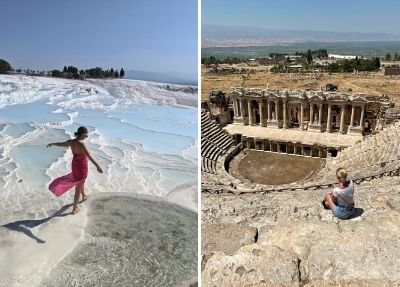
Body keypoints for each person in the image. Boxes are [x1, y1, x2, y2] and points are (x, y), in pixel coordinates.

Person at [47, 126, 103, 214]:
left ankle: (83, 196)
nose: (86, 137)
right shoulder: (81, 144)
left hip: (75, 165)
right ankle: (74, 209)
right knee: (79, 186)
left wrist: (52, 143)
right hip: (82, 167)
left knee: (81, 182)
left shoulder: (71, 142)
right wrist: (97, 165)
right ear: (83, 134)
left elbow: (61, 144)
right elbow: (89, 155)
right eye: (86, 135)